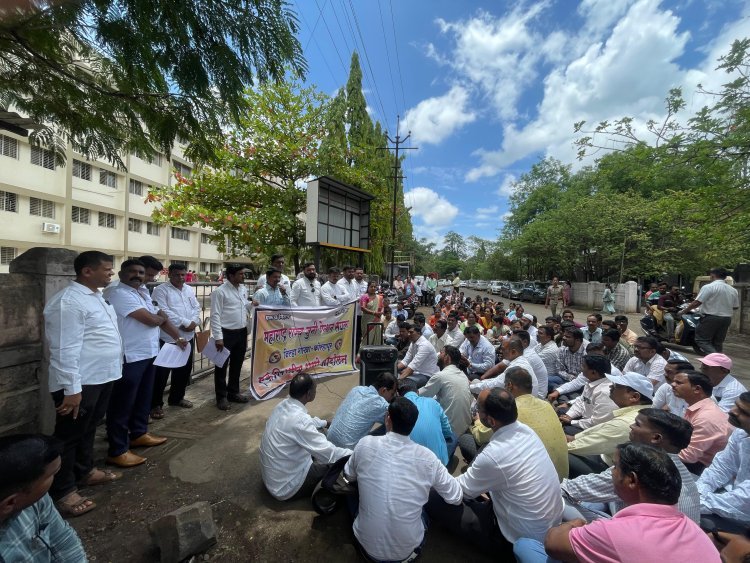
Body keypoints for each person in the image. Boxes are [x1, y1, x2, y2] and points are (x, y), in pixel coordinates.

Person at [428, 388, 563, 558]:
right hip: (547, 526)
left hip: (516, 538)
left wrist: (432, 468)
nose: (476, 412)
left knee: (434, 496)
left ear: (490, 420)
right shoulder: (527, 432)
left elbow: (457, 493)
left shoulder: (494, 455)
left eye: (478, 409)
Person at [43, 251, 123, 516]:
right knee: (68, 436)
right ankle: (63, 491)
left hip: (102, 377)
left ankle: (85, 471)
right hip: (80, 383)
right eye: (107, 269)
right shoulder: (69, 302)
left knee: (88, 429)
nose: (111, 273)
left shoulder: (97, 297)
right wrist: (71, 389)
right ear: (87, 271)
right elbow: (64, 348)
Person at [544, 443, 720, 563]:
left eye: (615, 467)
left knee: (526, 545)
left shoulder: (613, 532)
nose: (611, 472)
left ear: (631, 480)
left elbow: (552, 543)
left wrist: (574, 524)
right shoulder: (694, 530)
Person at [343, 397, 462, 562]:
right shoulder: (428, 458)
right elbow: (455, 496)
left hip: (365, 549)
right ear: (413, 425)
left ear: (388, 419)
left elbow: (348, 475)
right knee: (423, 506)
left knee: (352, 493)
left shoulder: (365, 443)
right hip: (408, 555)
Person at [561, 408, 701, 524]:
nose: (631, 427)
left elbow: (566, 489)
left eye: (637, 424)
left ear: (656, 438)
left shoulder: (641, 465)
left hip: (642, 542)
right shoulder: (677, 467)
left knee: (557, 499)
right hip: (662, 540)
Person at [103, 260, 178, 468]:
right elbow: (151, 319)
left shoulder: (142, 291)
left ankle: (139, 433)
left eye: (141, 272)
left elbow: (159, 315)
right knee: (122, 403)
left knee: (143, 398)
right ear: (121, 273)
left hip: (149, 352)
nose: (138, 275)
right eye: (132, 272)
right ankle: (117, 449)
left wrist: (162, 321)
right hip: (130, 355)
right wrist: (158, 318)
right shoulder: (118, 292)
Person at [259, 373, 352, 500]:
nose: (315, 392)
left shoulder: (283, 405)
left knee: (318, 431)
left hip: (273, 479)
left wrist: (325, 422)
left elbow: (308, 421)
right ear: (308, 394)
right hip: (286, 487)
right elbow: (330, 454)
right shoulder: (300, 421)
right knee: (334, 464)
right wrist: (357, 454)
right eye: (315, 390)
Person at [0, 434, 87, 559]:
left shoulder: (35, 501)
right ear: (10, 502)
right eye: (52, 474)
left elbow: (64, 541)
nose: (55, 478)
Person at [567, 371, 654, 477]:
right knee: (569, 433)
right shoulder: (640, 413)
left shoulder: (626, 423)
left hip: (610, 469)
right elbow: (599, 430)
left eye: (616, 386)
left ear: (634, 397)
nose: (610, 387)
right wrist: (573, 437)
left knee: (559, 454)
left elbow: (573, 448)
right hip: (607, 456)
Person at [151, 263, 202, 419]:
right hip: (169, 338)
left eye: (183, 275)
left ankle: (176, 398)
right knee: (162, 373)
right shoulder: (160, 290)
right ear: (170, 275)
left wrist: (194, 322)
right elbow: (164, 312)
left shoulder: (188, 289)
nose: (181, 278)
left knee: (183, 370)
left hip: (188, 337)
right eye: (177, 275)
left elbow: (196, 307)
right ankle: (155, 405)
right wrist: (185, 323)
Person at [697, 391, 750, 532]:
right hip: (730, 499)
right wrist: (699, 493)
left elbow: (745, 499)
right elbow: (721, 467)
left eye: (743, 412)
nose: (732, 411)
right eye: (736, 405)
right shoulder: (741, 432)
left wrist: (696, 503)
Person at [672, 370, 733, 474]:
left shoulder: (706, 417)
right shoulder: (698, 407)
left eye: (679, 383)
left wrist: (656, 454)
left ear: (697, 389)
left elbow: (689, 456)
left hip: (703, 468)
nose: (672, 385)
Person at [210, 264, 252, 410]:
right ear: (231, 276)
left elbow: (243, 305)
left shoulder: (242, 289)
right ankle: (221, 397)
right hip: (226, 333)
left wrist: (252, 304)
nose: (243, 276)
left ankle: (233, 392)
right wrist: (218, 337)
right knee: (221, 366)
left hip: (241, 332)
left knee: (237, 363)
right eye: (240, 274)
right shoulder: (220, 292)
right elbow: (214, 315)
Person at [327, 373, 398, 449]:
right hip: (347, 451)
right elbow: (398, 421)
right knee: (391, 423)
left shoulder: (357, 389)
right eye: (392, 394)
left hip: (330, 439)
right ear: (384, 390)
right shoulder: (380, 404)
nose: (392, 397)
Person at [681, 267, 740, 353]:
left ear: (712, 275)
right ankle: (717, 364)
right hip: (726, 319)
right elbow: (735, 307)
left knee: (702, 340)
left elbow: (696, 303)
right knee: (718, 342)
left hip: (710, 318)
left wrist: (683, 311)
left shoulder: (708, 287)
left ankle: (716, 358)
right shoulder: (733, 290)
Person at [420, 346, 473, 436]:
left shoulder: (440, 376)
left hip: (448, 431)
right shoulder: (463, 376)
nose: (438, 356)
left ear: (447, 358)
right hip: (464, 428)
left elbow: (419, 396)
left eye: (441, 353)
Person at [400, 379, 456, 465]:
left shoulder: (394, 408)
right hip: (437, 465)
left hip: (408, 466)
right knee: (453, 437)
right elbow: (447, 431)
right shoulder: (432, 402)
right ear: (417, 391)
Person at [558, 355, 618, 435]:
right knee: (561, 413)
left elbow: (596, 423)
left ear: (593, 372)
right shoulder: (591, 381)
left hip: (595, 428)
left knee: (565, 430)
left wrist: (571, 422)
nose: (581, 369)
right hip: (585, 419)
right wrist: (569, 416)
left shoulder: (605, 392)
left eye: (583, 366)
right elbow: (581, 402)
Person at [397, 323, 439, 388]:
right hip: (416, 372)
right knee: (395, 371)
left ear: (419, 333)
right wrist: (392, 369)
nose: (408, 334)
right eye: (408, 332)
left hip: (427, 375)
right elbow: (405, 361)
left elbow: (413, 365)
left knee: (404, 384)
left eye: (411, 332)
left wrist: (397, 381)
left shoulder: (424, 345)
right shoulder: (413, 343)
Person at [359, 280, 384, 346]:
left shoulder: (380, 297)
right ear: (368, 287)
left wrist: (381, 313)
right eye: (371, 287)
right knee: (366, 339)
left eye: (374, 287)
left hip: (377, 320)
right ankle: (362, 354)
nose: (373, 288)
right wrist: (374, 313)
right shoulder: (365, 296)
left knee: (377, 338)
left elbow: (382, 307)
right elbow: (363, 308)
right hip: (367, 320)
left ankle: (376, 354)